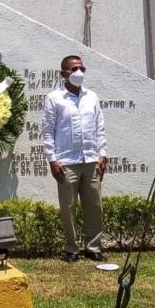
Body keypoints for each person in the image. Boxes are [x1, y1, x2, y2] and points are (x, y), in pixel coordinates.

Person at [43, 55, 108, 262]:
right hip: (66, 162)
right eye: (73, 69)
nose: (78, 72)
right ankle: (71, 248)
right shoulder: (54, 98)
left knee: (94, 206)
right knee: (68, 207)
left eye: (81, 68)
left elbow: (100, 127)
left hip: (91, 159)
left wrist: (102, 154)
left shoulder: (92, 97)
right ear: (63, 73)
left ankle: (94, 246)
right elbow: (47, 131)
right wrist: (52, 159)